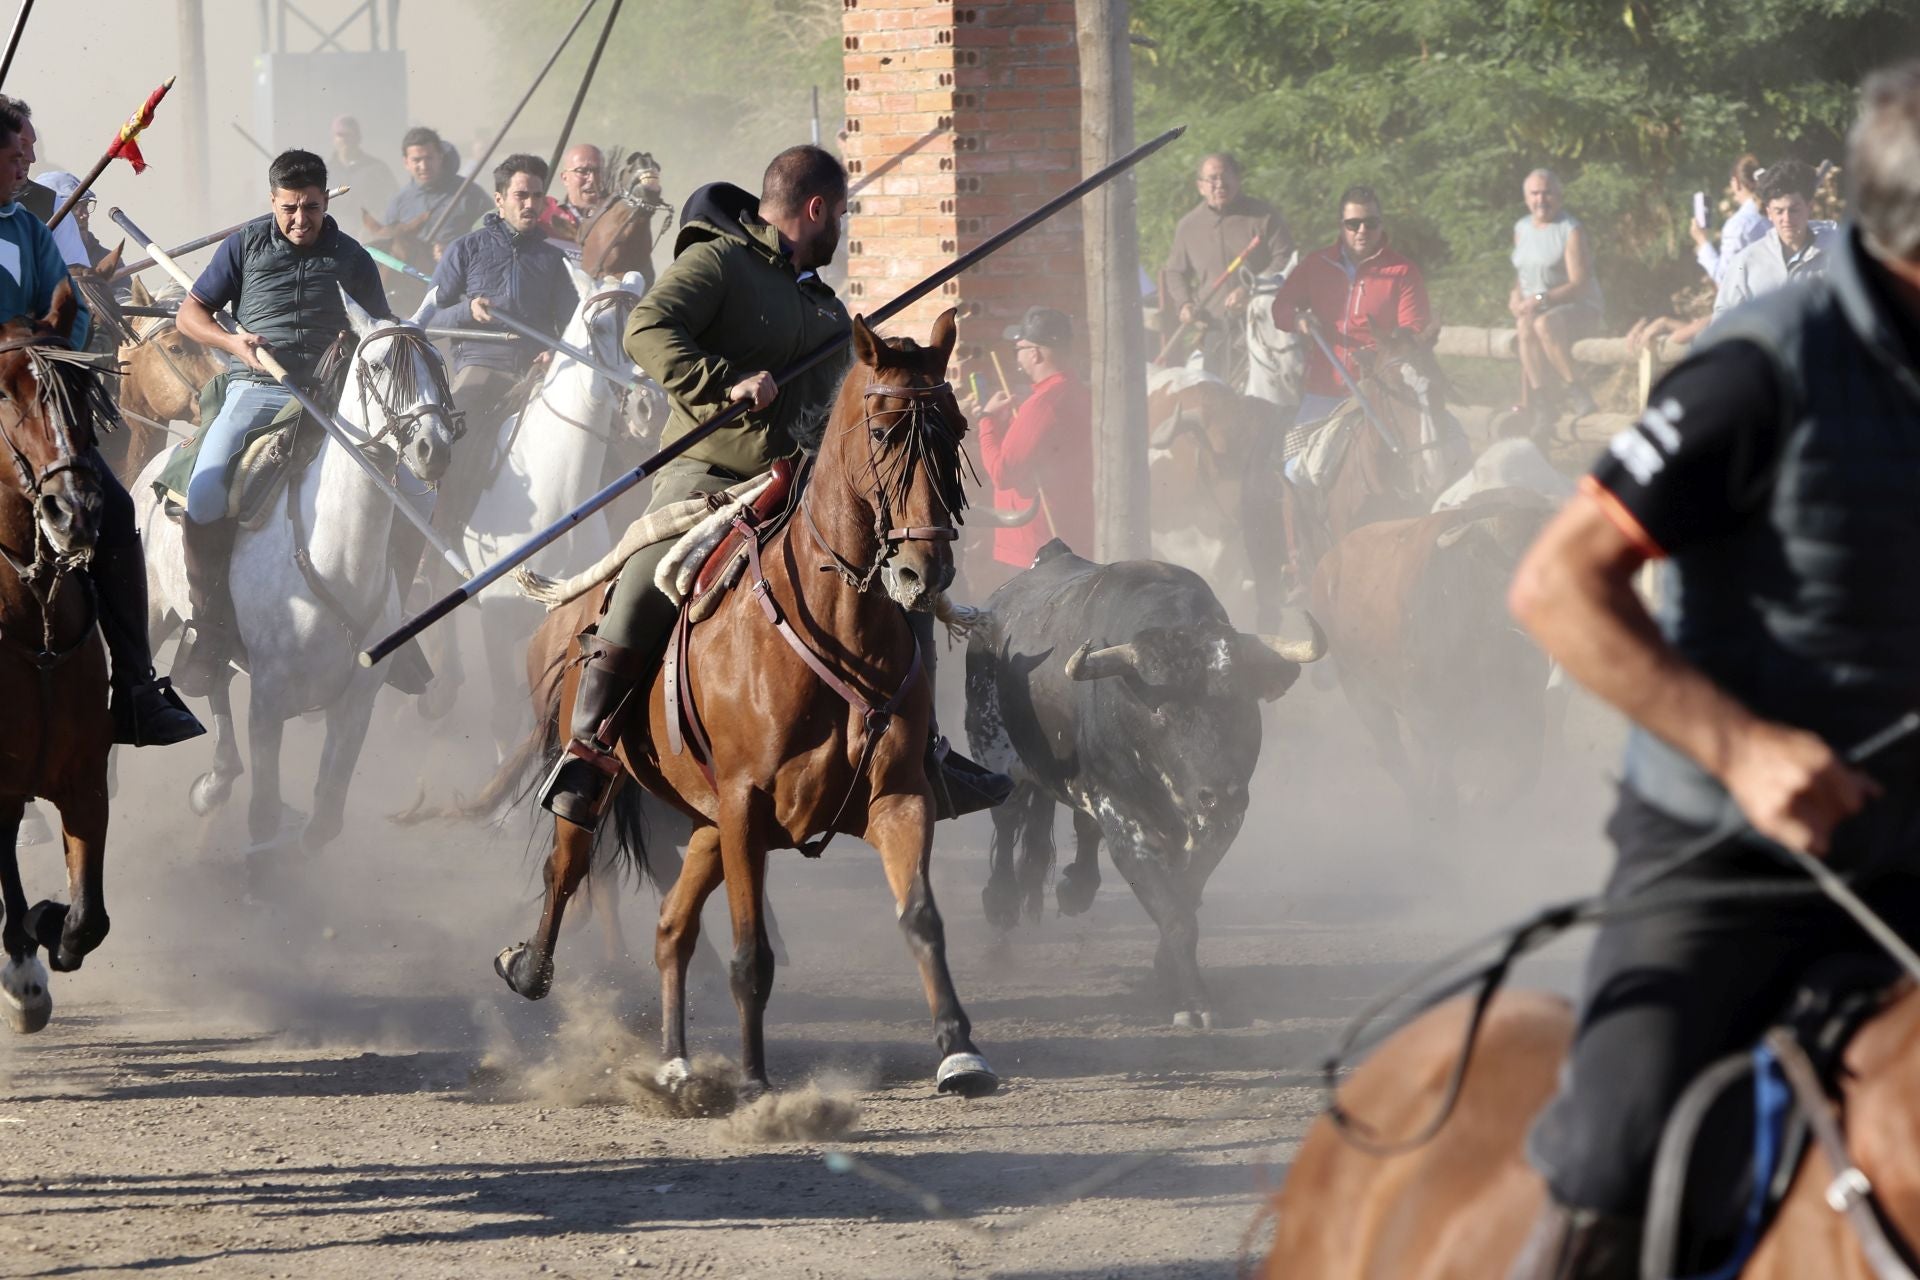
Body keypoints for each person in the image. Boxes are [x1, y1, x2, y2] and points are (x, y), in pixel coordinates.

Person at [1502, 60, 1920, 1280]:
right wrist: (1744, 748)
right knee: (1614, 1148)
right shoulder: (1763, 365)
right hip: (1728, 852)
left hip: (1915, 835)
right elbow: (1557, 584)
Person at [537, 144, 1010, 830]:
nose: (840, 229)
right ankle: (588, 751)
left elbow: (847, 404)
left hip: (801, 485)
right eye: (839, 214)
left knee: (904, 586)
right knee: (644, 578)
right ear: (815, 208)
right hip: (710, 472)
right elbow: (647, 328)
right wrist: (724, 380)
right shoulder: (719, 261)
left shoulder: (825, 308)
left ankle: (926, 751)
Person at [0, 101, 201, 746]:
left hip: (31, 402)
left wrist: (48, 339)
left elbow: (75, 315)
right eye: (16, 155)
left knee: (114, 511)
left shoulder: (28, 230)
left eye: (28, 154)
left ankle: (136, 688)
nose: (28, 165)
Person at [173, 149, 394, 695]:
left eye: (311, 207)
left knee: (410, 489)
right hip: (257, 391)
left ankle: (394, 621)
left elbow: (380, 329)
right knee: (204, 496)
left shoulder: (353, 257)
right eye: (289, 208)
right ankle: (211, 628)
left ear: (327, 200)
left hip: (334, 399)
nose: (300, 220)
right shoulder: (243, 245)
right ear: (272, 201)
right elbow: (189, 315)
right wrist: (232, 343)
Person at [399, 153, 577, 589]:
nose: (530, 204)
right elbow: (428, 319)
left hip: (537, 375)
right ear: (499, 199)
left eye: (537, 196)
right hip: (482, 368)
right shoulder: (466, 249)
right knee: (447, 444)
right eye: (521, 195)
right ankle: (434, 546)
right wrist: (469, 311)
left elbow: (572, 326)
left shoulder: (555, 260)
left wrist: (554, 353)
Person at [1268, 184, 1430, 430]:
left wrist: (1378, 352)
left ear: (1381, 224)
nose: (1362, 230)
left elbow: (1414, 327)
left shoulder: (1403, 271)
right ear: (1341, 225)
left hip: (1382, 391)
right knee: (1294, 453)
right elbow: (1281, 307)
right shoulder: (1316, 263)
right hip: (1324, 389)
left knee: (1432, 443)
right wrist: (1297, 319)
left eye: (1371, 223)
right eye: (1353, 224)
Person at [965, 306, 1093, 570]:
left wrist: (987, 420)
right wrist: (1004, 424)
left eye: (1019, 349)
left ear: (1035, 353)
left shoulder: (1043, 404)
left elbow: (1002, 473)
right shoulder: (1075, 391)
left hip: (1035, 548)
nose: (1018, 357)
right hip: (1069, 535)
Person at [1162, 152, 1292, 378]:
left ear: (1238, 179)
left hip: (1263, 321)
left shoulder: (1263, 216)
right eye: (1212, 179)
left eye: (1226, 177)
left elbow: (1285, 258)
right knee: (1215, 390)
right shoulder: (1188, 226)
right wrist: (1184, 303)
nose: (1220, 184)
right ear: (1200, 186)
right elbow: (1174, 272)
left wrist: (1251, 288)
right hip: (1215, 326)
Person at [1510, 169, 1603, 422]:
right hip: (1539, 308)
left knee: (1544, 324)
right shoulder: (1521, 228)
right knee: (1524, 326)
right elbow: (1523, 271)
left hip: (1579, 307)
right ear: (1526, 198)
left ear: (1559, 196)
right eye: (1535, 194)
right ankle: (1541, 401)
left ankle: (1577, 390)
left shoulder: (1570, 230)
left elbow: (1579, 284)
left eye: (1547, 193)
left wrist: (1539, 299)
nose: (1541, 199)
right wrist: (1515, 295)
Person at [1713, 159, 1842, 314]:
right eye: (1779, 211)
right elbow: (1723, 315)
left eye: (1794, 210)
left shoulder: (1837, 253)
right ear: (1769, 213)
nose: (1787, 219)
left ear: (1810, 207)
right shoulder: (1745, 263)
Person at [382, 126, 490, 270]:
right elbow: (387, 250)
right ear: (406, 163)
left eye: (429, 158)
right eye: (416, 160)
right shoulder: (398, 204)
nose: (424, 166)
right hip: (412, 281)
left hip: (464, 278)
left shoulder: (470, 194)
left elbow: (497, 238)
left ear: (440, 157)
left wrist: (457, 252)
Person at [1690, 153, 1768, 286]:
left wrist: (1702, 241)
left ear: (1736, 183)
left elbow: (1724, 277)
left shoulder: (1737, 225)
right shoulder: (1778, 212)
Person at [329, 115, 399, 235]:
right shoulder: (324, 172)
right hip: (332, 237)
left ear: (358, 137)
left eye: (349, 134)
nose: (344, 139)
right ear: (333, 139)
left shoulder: (378, 169)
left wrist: (375, 228)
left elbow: (393, 204)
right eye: (340, 135)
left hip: (370, 238)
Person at [538, 143, 608, 239]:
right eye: (582, 171)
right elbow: (518, 236)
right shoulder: (543, 211)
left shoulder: (618, 216)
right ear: (565, 178)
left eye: (597, 171)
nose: (592, 179)